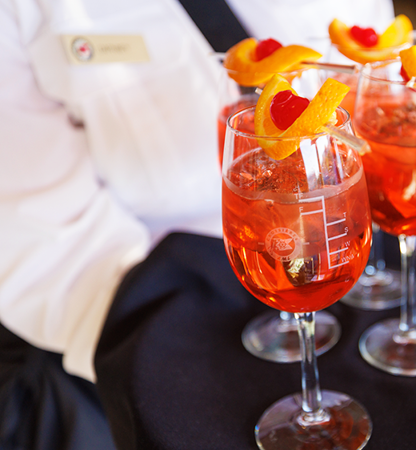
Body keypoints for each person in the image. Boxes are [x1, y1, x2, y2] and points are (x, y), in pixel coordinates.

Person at [0, 0, 394, 447]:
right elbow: (39, 232)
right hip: (160, 301)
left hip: (336, 250)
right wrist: (178, 357)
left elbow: (378, 78)